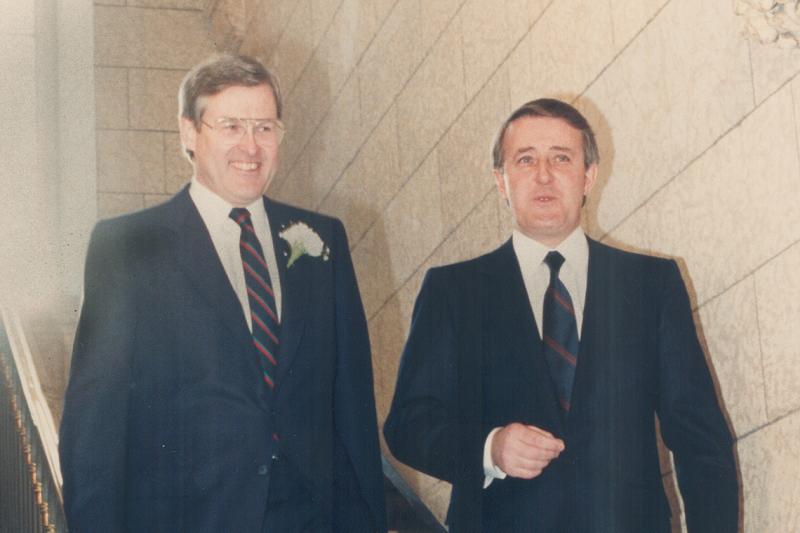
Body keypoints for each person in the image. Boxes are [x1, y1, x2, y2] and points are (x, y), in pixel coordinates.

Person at [59, 53, 386, 532]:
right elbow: (95, 430)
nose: (251, 147)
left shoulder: (324, 240)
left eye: (266, 128)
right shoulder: (126, 247)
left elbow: (354, 409)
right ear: (190, 133)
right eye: (231, 125)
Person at [384, 98, 738, 532]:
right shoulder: (453, 291)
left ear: (588, 175)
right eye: (526, 159)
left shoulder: (651, 285)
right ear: (501, 181)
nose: (544, 175)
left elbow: (700, 439)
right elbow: (409, 423)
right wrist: (490, 449)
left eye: (561, 158)